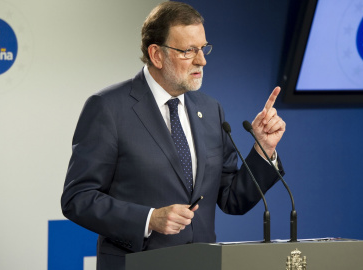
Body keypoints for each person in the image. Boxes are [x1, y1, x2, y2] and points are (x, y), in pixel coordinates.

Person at [61, 2, 286, 269]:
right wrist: (149, 219)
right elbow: (78, 198)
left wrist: (263, 150)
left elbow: (231, 199)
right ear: (156, 55)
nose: (202, 60)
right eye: (188, 50)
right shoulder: (108, 108)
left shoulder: (210, 109)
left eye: (203, 48)